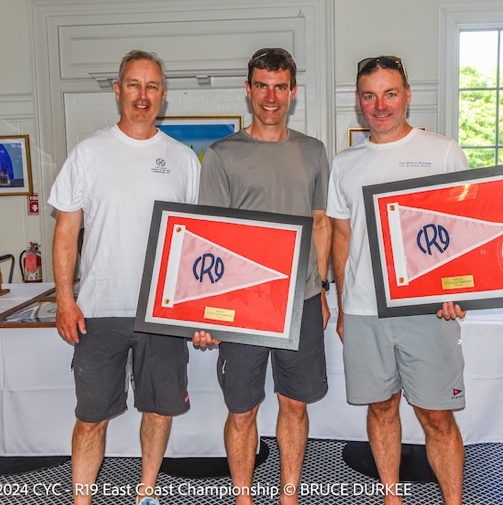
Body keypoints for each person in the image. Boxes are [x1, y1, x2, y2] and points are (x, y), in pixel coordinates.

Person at [48, 49, 201, 505]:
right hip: (98, 311)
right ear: (118, 91)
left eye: (152, 86)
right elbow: (65, 232)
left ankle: (147, 493)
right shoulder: (88, 154)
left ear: (163, 95)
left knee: (157, 411)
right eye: (133, 85)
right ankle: (82, 499)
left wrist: (196, 308)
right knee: (91, 417)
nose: (142, 95)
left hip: (162, 311)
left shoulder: (183, 160)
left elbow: (195, 244)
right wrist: (64, 300)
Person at [192, 47, 332, 505]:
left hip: (302, 302)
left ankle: (289, 496)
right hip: (243, 307)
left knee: (294, 404)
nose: (270, 97)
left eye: (280, 87)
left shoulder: (313, 152)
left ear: (292, 92)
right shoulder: (221, 155)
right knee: (242, 409)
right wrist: (205, 311)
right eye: (261, 86)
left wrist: (323, 288)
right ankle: (243, 497)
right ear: (248, 89)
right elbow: (209, 238)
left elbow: (321, 222)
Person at [326, 55, 467, 505]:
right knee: (381, 407)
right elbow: (342, 237)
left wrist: (459, 289)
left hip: (426, 309)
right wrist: (347, 307)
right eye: (370, 95)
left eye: (390, 94)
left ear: (408, 96)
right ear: (358, 102)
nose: (380, 105)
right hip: (366, 310)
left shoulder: (442, 151)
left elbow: (466, 224)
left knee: (436, 415)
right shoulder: (344, 163)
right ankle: (391, 497)